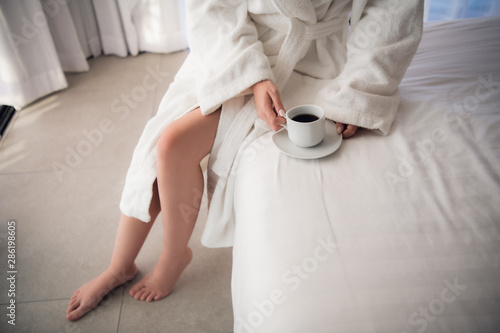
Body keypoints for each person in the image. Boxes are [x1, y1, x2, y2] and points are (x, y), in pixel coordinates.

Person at [66, 0, 423, 322]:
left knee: (174, 144)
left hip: (314, 64)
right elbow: (212, 6)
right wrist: (252, 76)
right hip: (233, 49)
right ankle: (119, 266)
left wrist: (359, 92)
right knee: (157, 146)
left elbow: (393, 11)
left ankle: (173, 257)